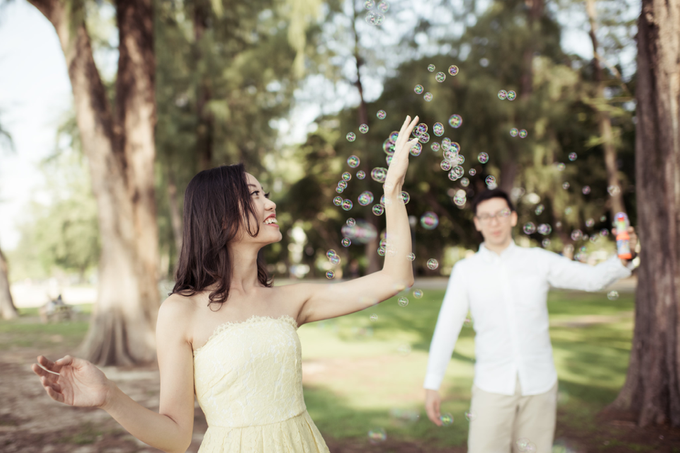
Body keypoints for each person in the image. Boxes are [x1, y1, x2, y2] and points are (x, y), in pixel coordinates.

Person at [31, 115, 420, 453]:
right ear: (219, 218)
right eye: (253, 195)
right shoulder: (180, 312)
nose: (270, 203)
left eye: (265, 193)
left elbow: (395, 278)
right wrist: (109, 397)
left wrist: (392, 192)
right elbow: (176, 436)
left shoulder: (292, 299)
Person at [423, 188, 637, 453]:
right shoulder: (465, 271)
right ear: (477, 223)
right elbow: (447, 327)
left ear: (512, 217)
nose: (494, 222)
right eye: (486, 216)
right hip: (491, 386)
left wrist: (624, 257)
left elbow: (591, 279)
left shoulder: (537, 260)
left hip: (540, 385)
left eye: (501, 214)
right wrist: (432, 383)